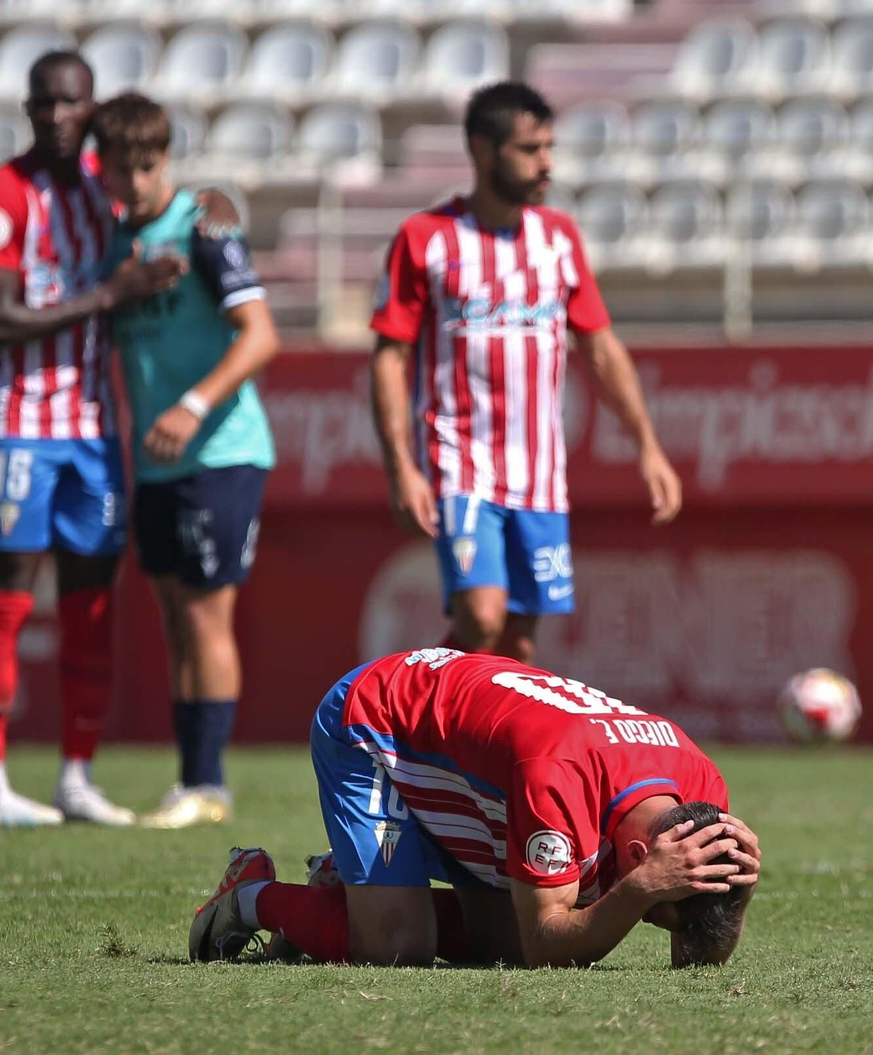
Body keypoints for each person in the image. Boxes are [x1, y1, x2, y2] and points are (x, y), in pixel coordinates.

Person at [0, 52, 240, 827]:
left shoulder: (104, 193)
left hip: (91, 429)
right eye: (42, 102)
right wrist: (111, 293)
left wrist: (217, 201)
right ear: (26, 107)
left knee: (90, 607)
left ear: (88, 111)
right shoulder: (1, 194)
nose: (55, 115)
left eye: (69, 103)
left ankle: (74, 774)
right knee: (8, 598)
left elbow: (179, 204)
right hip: (16, 423)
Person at [189, 648, 762, 968]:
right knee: (394, 948)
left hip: (480, 756)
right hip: (377, 723)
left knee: (502, 946)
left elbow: (697, 945)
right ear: (645, 854)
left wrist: (741, 888)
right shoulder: (556, 778)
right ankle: (247, 898)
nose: (655, 924)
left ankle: (342, 892)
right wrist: (639, 891)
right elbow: (548, 943)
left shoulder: (701, 788)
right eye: (660, 913)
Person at [369, 81, 683, 665]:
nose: (547, 163)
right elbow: (388, 357)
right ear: (484, 151)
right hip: (460, 461)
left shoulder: (558, 238)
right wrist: (401, 468)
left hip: (540, 473)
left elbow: (601, 349)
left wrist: (649, 446)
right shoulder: (426, 239)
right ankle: (399, 718)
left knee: (516, 644)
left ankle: (463, 751)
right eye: (530, 149)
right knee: (482, 616)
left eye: (549, 146)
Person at [92, 92, 280, 830]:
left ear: (166, 160)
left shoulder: (204, 227)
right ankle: (190, 780)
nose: (136, 181)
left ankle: (211, 784)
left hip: (220, 450)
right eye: (122, 168)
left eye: (149, 165)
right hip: (159, 461)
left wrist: (192, 405)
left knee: (206, 615)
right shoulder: (110, 245)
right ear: (101, 169)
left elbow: (260, 335)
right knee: (175, 618)